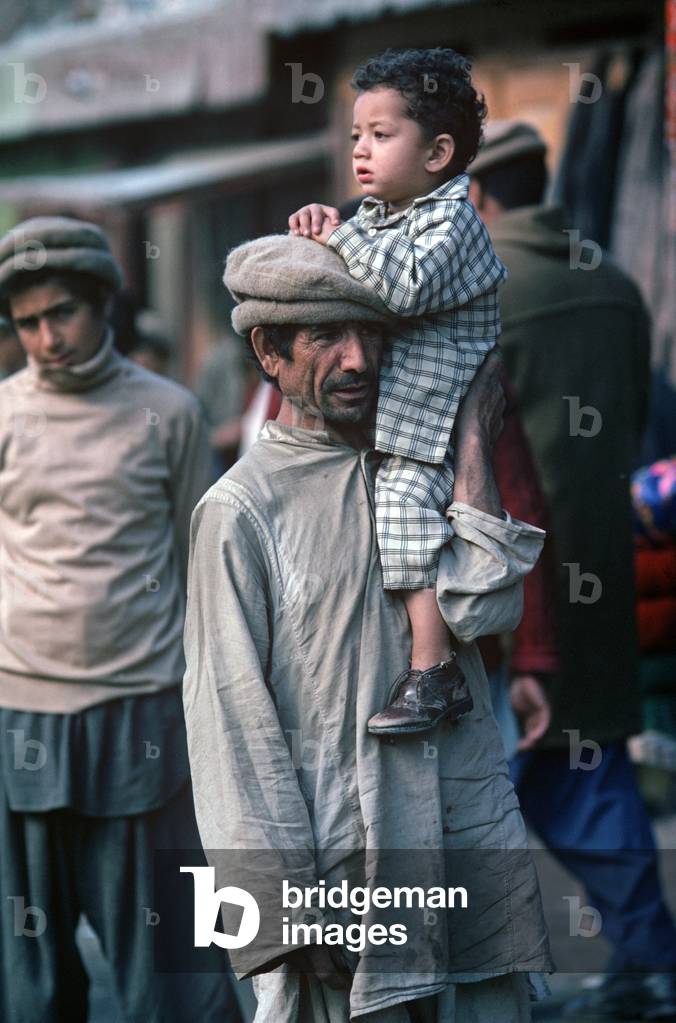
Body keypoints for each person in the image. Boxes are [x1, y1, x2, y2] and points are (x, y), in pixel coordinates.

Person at [182, 232, 553, 1023]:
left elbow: (487, 610)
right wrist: (285, 914)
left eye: (373, 334)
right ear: (269, 352)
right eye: (327, 338)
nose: (359, 360)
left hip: (458, 841)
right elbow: (231, 728)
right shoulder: (240, 512)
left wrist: (475, 436)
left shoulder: (416, 469)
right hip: (338, 875)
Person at [0, 217, 242, 1023]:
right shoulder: (3, 414)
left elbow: (196, 560)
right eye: (28, 321)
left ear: (103, 304)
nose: (46, 336)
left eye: (61, 312)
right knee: (26, 969)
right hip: (21, 712)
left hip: (140, 710)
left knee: (165, 963)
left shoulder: (168, 413)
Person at [469, 121, 676, 1019]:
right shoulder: (616, 283)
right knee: (589, 776)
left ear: (475, 199)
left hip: (514, 581)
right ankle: (649, 958)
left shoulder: (485, 295)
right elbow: (634, 427)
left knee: (481, 788)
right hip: (604, 573)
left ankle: (485, 982)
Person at [288, 48, 506, 737]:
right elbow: (361, 262)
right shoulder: (385, 215)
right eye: (357, 136)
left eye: (382, 136)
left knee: (406, 514)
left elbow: (397, 286)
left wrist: (341, 237)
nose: (361, 150)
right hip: (408, 411)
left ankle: (434, 671)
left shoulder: (453, 220)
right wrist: (326, 232)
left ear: (439, 152)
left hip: (435, 414)